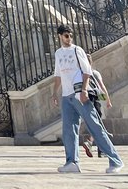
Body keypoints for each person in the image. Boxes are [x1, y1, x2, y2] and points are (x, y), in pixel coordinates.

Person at [51, 25, 123, 174]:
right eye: (66, 35)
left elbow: (87, 72)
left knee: (95, 127)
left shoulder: (78, 50)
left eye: (71, 35)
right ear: (59, 36)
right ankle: (72, 162)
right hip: (66, 96)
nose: (69, 38)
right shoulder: (58, 53)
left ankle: (115, 161)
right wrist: (54, 93)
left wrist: (84, 90)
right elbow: (58, 75)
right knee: (68, 130)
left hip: (79, 94)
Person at [82, 54, 112, 158]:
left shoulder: (80, 73)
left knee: (95, 124)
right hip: (94, 99)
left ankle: (93, 144)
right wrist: (108, 100)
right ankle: (95, 145)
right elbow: (102, 86)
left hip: (85, 100)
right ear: (91, 62)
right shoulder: (94, 73)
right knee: (99, 124)